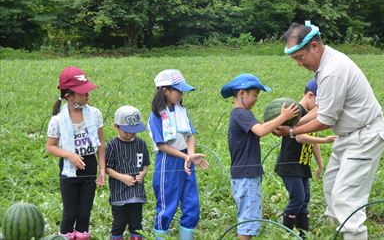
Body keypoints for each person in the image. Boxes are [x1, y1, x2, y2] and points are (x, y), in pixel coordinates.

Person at [274, 22, 384, 240]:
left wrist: (291, 132)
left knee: (345, 197)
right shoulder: (325, 66)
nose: (299, 64)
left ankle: (353, 234)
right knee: (331, 185)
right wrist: (292, 121)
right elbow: (320, 109)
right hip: (349, 135)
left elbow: (325, 120)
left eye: (300, 57)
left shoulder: (332, 71)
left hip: (365, 135)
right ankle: (333, 232)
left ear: (315, 47)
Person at [220, 73, 299, 240]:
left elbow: (261, 128)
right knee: (248, 223)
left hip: (245, 174)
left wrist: (277, 127)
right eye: (254, 94)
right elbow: (261, 131)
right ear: (242, 93)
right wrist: (283, 117)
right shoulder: (241, 114)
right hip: (246, 175)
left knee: (249, 219)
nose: (256, 99)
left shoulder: (242, 114)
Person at [147, 69, 209, 240]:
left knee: (192, 205)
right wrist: (184, 157)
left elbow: (190, 134)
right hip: (168, 161)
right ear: (165, 91)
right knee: (167, 206)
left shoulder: (181, 110)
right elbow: (162, 145)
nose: (182, 94)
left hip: (186, 159)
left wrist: (190, 154)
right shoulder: (156, 116)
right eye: (178, 90)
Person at [46, 66, 106, 240]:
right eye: (82, 93)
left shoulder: (95, 114)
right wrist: (69, 155)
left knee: (85, 213)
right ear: (68, 96)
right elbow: (50, 146)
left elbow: (101, 143)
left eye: (88, 92)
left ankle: (82, 236)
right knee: (70, 213)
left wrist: (102, 169)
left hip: (90, 166)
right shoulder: (57, 120)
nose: (87, 96)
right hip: (69, 170)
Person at [274, 78, 336, 239]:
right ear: (310, 95)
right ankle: (285, 232)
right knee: (298, 198)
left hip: (302, 165)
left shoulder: (310, 115)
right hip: (290, 165)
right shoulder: (298, 112)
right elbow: (301, 137)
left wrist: (320, 164)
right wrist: (325, 140)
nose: (320, 108)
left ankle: (304, 234)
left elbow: (312, 138)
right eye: (319, 103)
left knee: (305, 198)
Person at [106, 105, 151, 240]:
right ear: (116, 127)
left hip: (137, 193)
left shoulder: (141, 144)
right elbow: (107, 168)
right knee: (119, 223)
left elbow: (146, 164)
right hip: (119, 194)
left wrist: (143, 173)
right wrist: (122, 177)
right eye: (126, 131)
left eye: (134, 131)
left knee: (136, 223)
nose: (130, 134)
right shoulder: (112, 145)